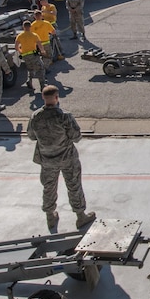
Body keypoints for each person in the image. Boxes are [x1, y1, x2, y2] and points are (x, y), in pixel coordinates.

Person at [27, 85, 96, 231]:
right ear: (57, 98)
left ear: (43, 98)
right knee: (74, 185)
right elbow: (76, 137)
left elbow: (32, 136)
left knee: (49, 187)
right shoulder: (64, 116)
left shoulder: (35, 116)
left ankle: (50, 215)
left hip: (47, 159)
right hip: (67, 158)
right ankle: (80, 216)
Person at [15, 20, 45, 92]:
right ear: (30, 27)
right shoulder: (34, 35)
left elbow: (16, 46)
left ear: (23, 27)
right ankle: (42, 85)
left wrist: (21, 52)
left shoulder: (20, 36)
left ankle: (30, 81)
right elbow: (39, 44)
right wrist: (42, 51)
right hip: (33, 55)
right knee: (41, 68)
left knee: (30, 69)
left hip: (25, 56)